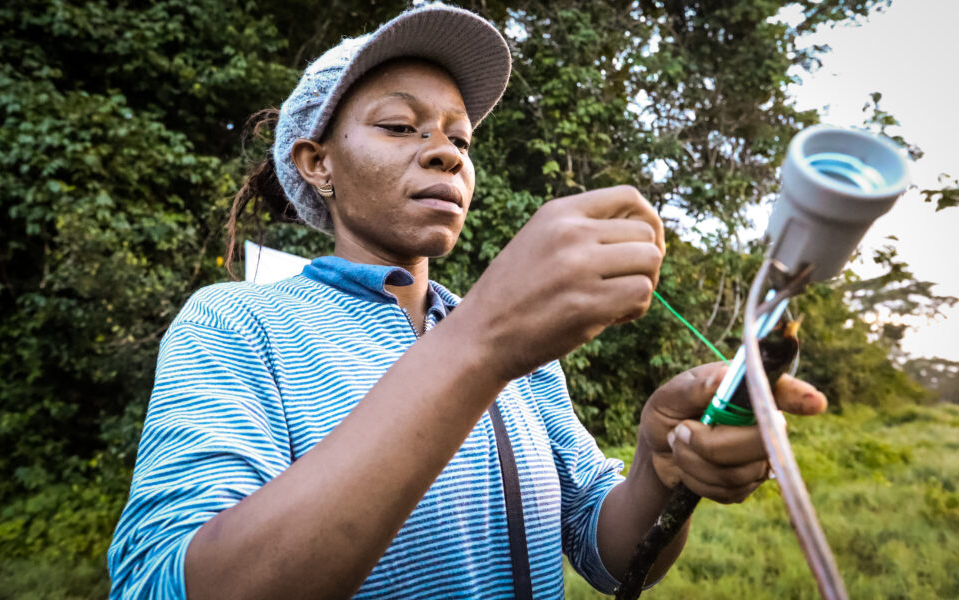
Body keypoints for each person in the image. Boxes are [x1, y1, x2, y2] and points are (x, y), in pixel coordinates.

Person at [107, 3, 827, 599]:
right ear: (316, 162)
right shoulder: (236, 323)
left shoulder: (520, 351)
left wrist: (656, 464)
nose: (447, 152)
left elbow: (604, 552)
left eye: (460, 137)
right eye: (399, 126)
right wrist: (480, 344)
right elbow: (164, 583)